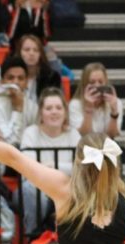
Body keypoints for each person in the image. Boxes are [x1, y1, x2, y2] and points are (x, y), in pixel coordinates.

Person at [19, 87, 80, 234]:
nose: (54, 112)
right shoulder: (30, 133)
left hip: (66, 189)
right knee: (29, 189)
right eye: (48, 108)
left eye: (59, 108)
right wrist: (64, 170)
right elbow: (27, 171)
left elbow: (81, 169)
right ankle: (33, 236)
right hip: (37, 189)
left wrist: (52, 165)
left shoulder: (73, 134)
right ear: (41, 113)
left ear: (65, 112)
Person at [0, 56, 38, 146]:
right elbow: (11, 142)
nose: (16, 82)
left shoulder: (33, 107)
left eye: (20, 78)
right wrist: (17, 109)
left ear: (26, 83)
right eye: (10, 78)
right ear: (1, 82)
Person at [69, 62, 122, 138]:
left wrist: (114, 113)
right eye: (92, 82)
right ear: (84, 84)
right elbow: (83, 135)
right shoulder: (75, 105)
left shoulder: (116, 103)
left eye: (100, 82)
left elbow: (112, 135)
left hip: (107, 147)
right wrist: (88, 110)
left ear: (106, 82)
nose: (97, 86)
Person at [15, 34, 59, 104]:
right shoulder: (12, 76)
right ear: (19, 52)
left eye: (36, 50)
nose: (31, 53)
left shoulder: (51, 77)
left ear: (40, 54)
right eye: (27, 50)